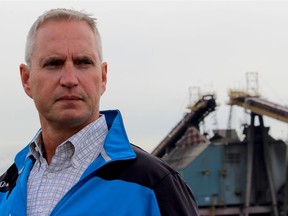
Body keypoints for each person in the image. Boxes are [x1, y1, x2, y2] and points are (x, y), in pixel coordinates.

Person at [0, 8, 199, 216]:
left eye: (83, 63)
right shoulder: (6, 189)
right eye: (53, 64)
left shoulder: (153, 185)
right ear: (26, 80)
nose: (69, 79)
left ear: (103, 77)